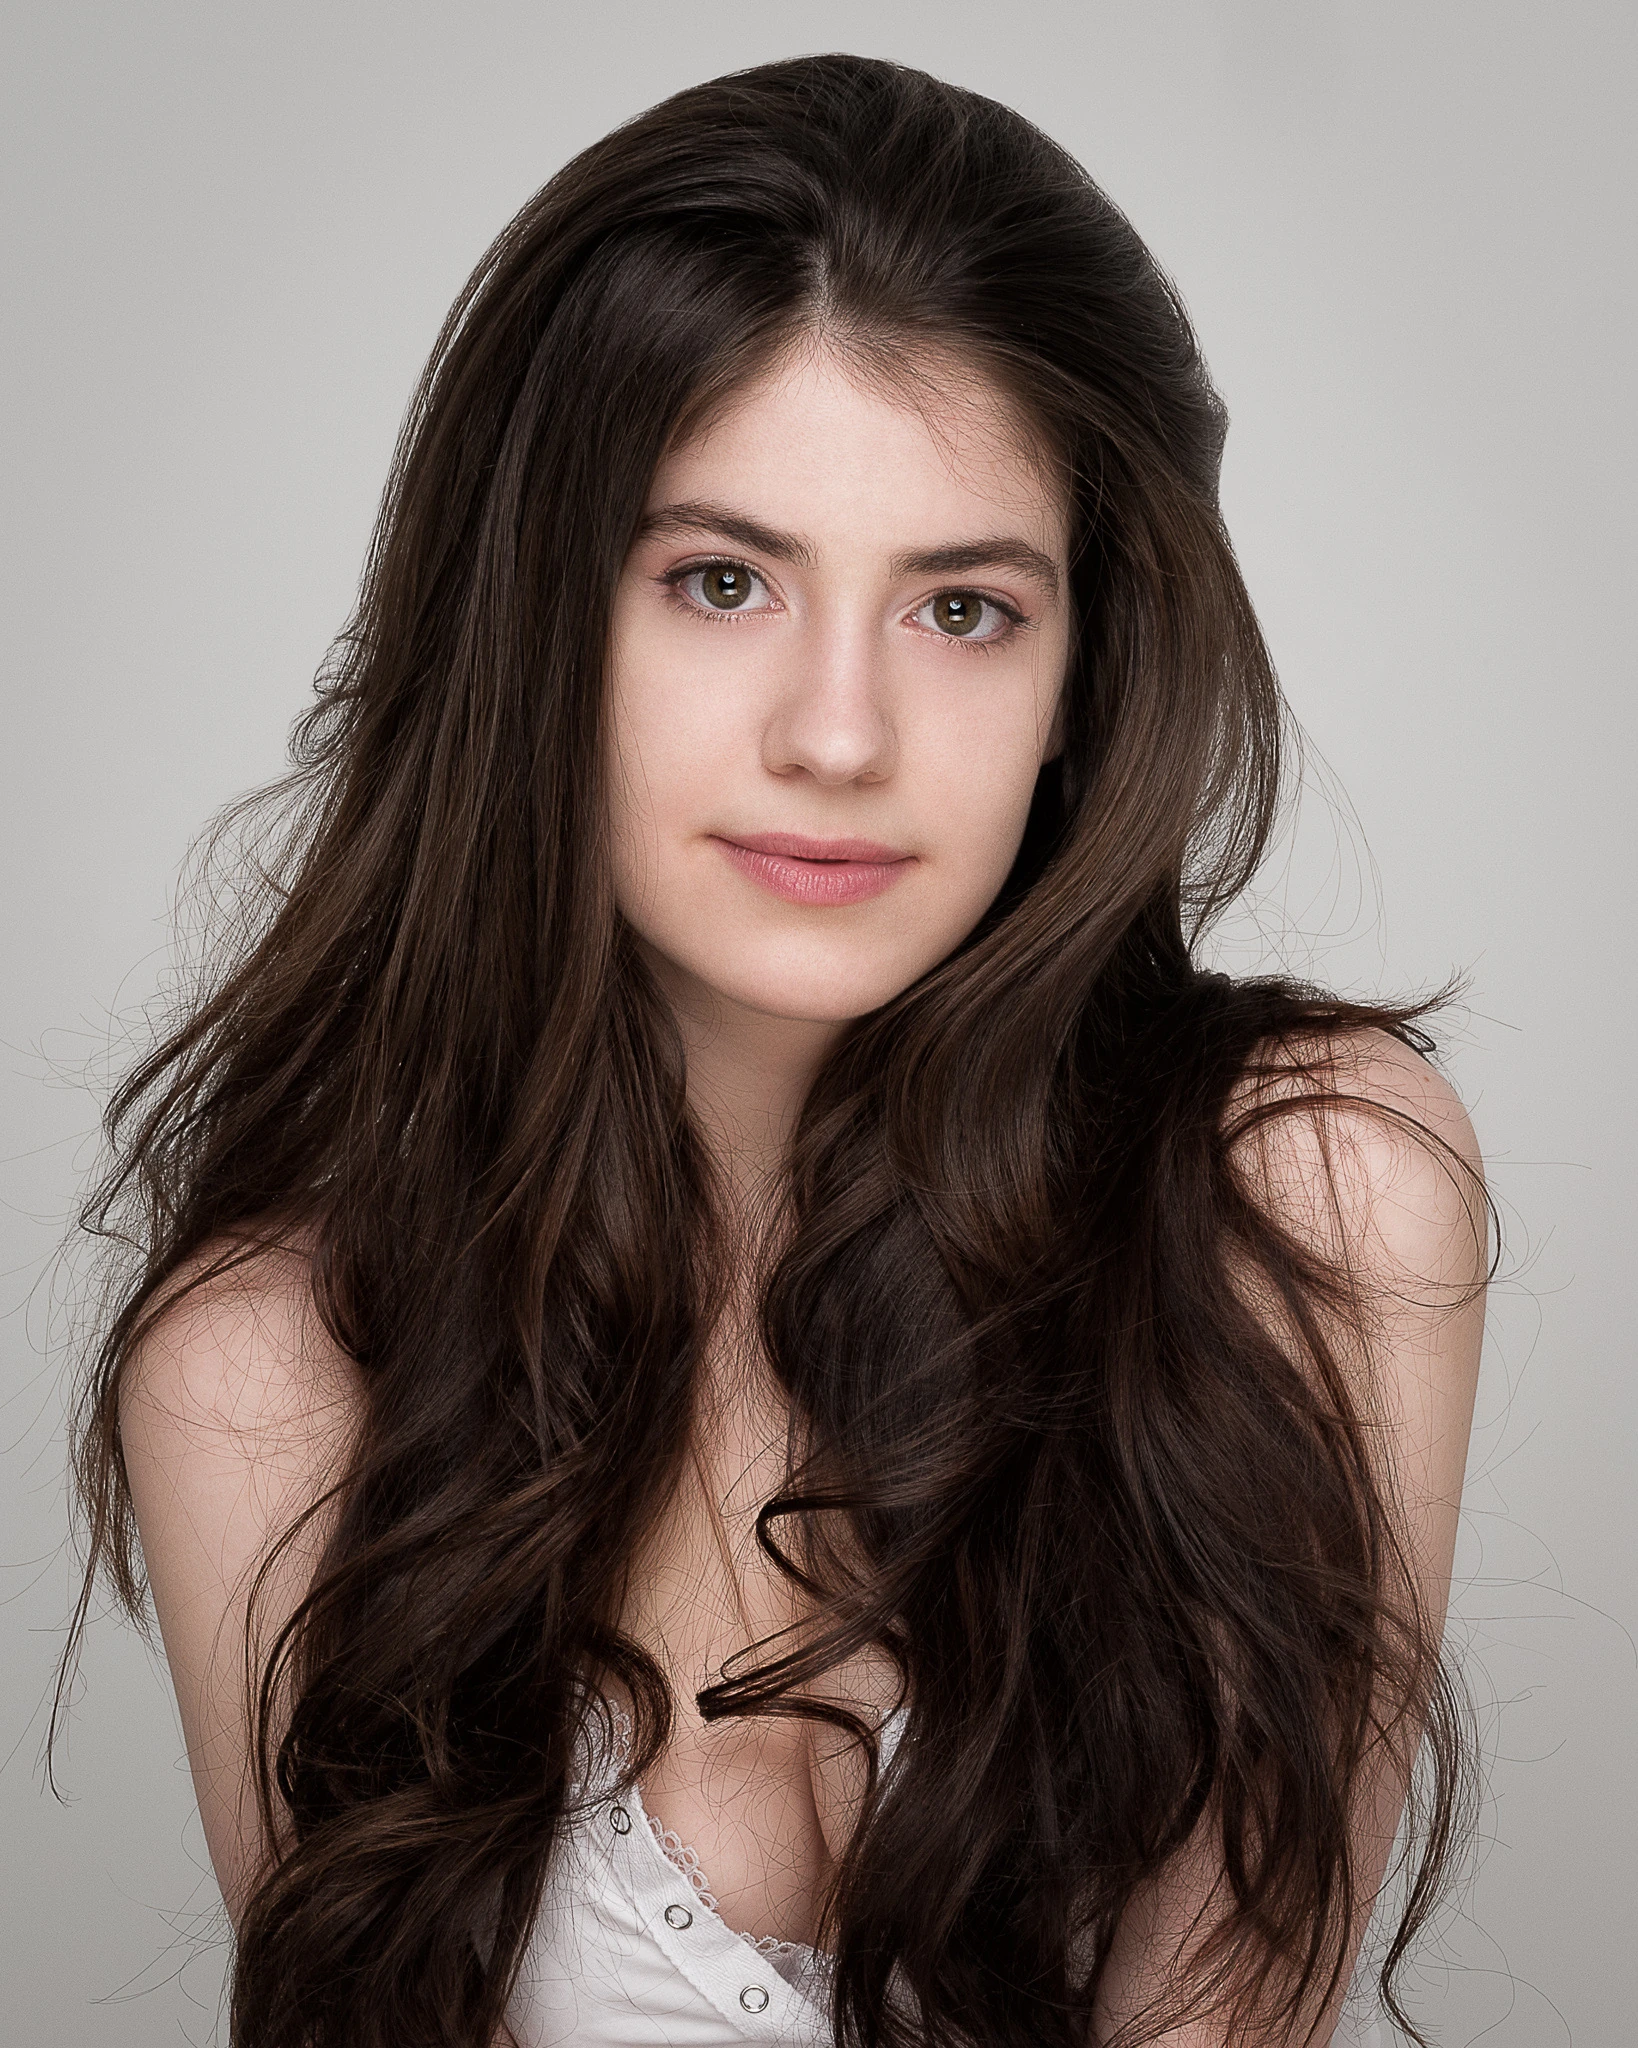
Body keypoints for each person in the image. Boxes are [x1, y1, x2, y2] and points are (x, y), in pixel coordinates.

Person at [63, 53, 1488, 2048]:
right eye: (720, 581)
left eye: (962, 610)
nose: (838, 734)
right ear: (535, 621)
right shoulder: (271, 1372)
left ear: (1085, 671)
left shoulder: (1311, 1201)